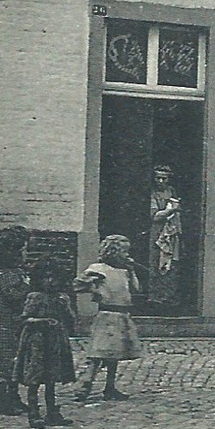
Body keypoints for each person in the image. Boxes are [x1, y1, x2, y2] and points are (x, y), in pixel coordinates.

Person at [74, 234, 143, 403]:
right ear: (113, 251)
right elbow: (78, 284)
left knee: (114, 355)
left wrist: (132, 270)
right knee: (99, 352)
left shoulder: (124, 271)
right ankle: (85, 384)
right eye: (124, 251)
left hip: (122, 315)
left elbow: (136, 289)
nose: (127, 255)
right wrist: (94, 288)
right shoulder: (99, 269)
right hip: (107, 315)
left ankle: (109, 387)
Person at [13, 256, 77, 429]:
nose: (51, 282)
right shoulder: (35, 297)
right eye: (46, 278)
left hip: (55, 341)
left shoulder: (60, 298)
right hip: (37, 342)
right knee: (35, 377)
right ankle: (33, 412)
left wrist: (67, 307)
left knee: (52, 378)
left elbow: (71, 320)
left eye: (54, 278)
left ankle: (52, 412)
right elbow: (25, 319)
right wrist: (43, 321)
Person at [0, 226, 31, 416]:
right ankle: (2, 400)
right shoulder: (4, 273)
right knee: (4, 362)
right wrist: (28, 288)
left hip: (19, 323)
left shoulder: (19, 272)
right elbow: (12, 295)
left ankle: (14, 397)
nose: (25, 253)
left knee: (17, 361)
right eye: (22, 250)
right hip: (7, 323)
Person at [149, 164, 183, 307]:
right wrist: (171, 210)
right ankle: (156, 297)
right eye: (158, 178)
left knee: (172, 263)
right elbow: (155, 216)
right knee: (157, 263)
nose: (161, 181)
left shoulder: (172, 192)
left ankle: (169, 297)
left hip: (172, 232)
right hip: (158, 233)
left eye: (164, 178)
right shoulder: (152, 194)